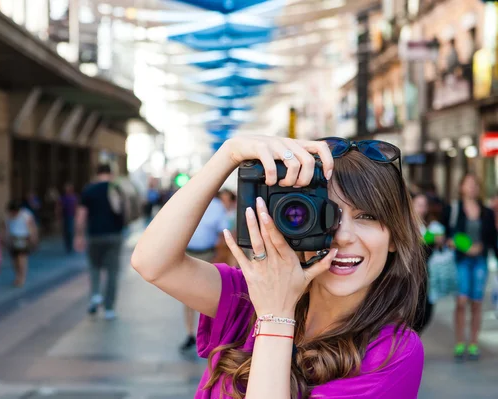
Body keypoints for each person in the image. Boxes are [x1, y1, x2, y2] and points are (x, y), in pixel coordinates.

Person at [132, 136, 425, 398]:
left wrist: (275, 318)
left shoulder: (394, 352)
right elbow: (153, 263)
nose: (344, 236)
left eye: (368, 217)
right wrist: (229, 154)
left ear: (393, 238)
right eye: (328, 214)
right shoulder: (252, 297)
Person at [445, 174, 497, 361]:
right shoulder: (453, 209)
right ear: (461, 187)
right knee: (461, 301)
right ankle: (460, 343)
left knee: (476, 302)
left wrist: (481, 246)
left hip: (480, 260)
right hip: (461, 260)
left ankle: (473, 343)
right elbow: (445, 233)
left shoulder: (487, 211)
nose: (472, 187)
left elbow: (491, 237)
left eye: (475, 184)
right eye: (468, 184)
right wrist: (454, 242)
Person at [75, 164, 125, 320]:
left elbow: (81, 215)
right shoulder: (116, 189)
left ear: (97, 173)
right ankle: (109, 308)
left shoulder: (89, 190)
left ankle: (95, 295)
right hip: (114, 235)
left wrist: (79, 235)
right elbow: (126, 210)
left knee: (94, 267)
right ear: (110, 173)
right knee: (112, 272)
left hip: (95, 235)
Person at [180, 195, 229, 352]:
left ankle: (210, 335)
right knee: (187, 295)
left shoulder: (216, 206)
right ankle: (190, 333)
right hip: (187, 254)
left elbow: (223, 232)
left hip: (209, 254)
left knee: (209, 294)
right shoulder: (187, 203)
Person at [412, 193, 444, 333]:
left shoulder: (433, 225)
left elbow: (443, 242)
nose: (422, 209)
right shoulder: (408, 225)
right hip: (411, 273)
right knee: (413, 309)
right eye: (419, 205)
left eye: (424, 205)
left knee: (427, 310)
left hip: (429, 272)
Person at [5, 200, 37, 287]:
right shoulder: (8, 216)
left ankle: (22, 277)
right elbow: (7, 228)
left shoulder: (25, 214)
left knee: (21, 259)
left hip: (23, 238)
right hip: (13, 238)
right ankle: (17, 276)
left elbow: (32, 226)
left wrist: (33, 237)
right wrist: (6, 239)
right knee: (14, 260)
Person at [59, 183, 78, 254]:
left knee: (70, 231)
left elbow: (76, 206)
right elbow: (59, 207)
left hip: (71, 216)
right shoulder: (63, 198)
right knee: (65, 231)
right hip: (65, 216)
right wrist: (59, 216)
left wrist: (77, 216)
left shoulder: (74, 197)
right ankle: (67, 245)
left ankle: (70, 245)